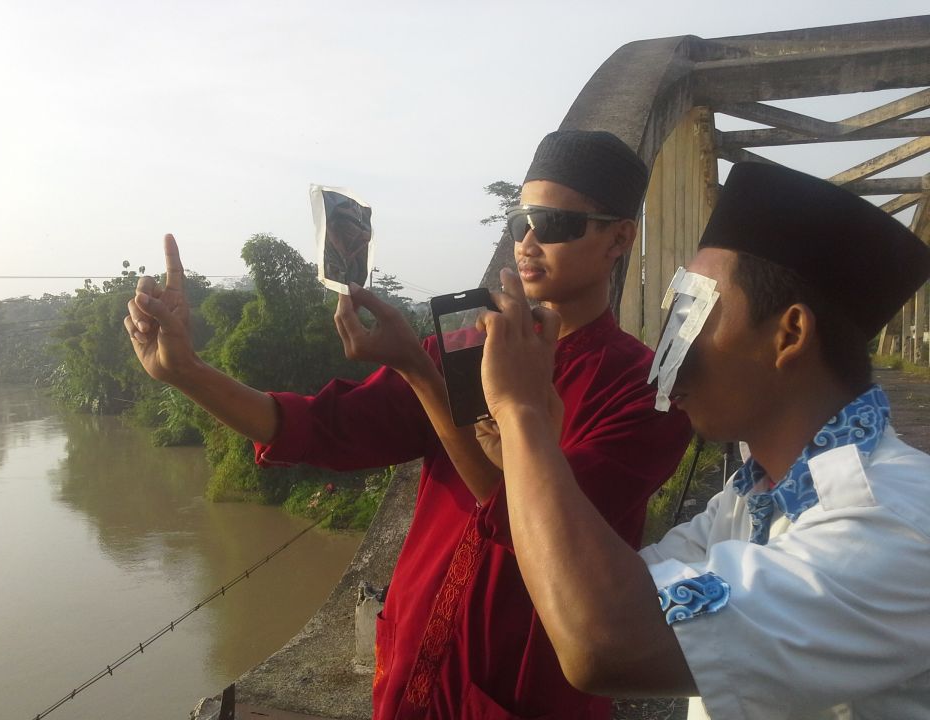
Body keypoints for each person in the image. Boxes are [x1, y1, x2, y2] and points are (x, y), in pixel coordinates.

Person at [124, 129, 691, 719]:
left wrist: (421, 373)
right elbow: (322, 425)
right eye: (521, 220)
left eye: (555, 224)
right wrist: (186, 371)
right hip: (413, 668)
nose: (526, 241)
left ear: (620, 237)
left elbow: (537, 527)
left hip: (522, 691)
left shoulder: (643, 394)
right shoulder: (466, 343)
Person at [478, 161, 930, 719]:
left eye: (694, 313)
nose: (672, 357)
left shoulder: (892, 523)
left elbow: (608, 640)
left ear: (789, 335)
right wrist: (538, 443)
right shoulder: (746, 500)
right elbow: (604, 591)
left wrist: (520, 413)